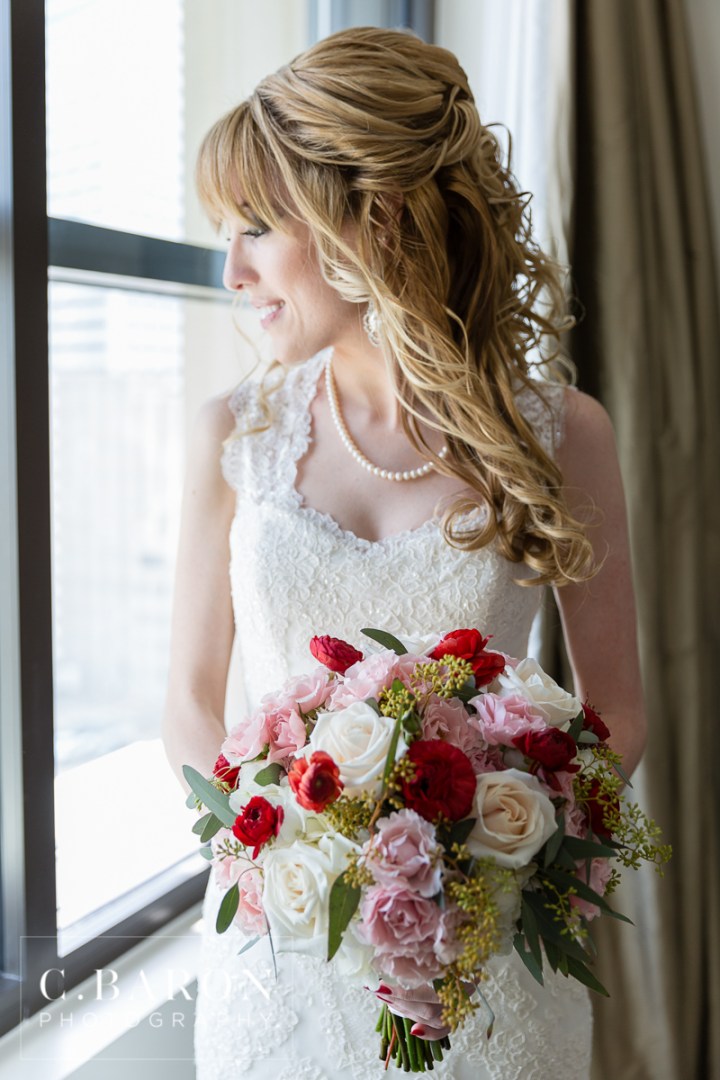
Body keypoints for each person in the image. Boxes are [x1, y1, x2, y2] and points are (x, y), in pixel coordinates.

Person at [162, 26, 646, 1080]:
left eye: (256, 229)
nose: (232, 270)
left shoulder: (562, 433)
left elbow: (618, 708)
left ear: (367, 220)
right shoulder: (233, 434)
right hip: (277, 957)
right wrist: (290, 854)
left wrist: (492, 870)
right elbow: (192, 702)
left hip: (491, 968)